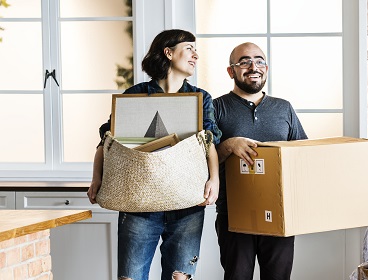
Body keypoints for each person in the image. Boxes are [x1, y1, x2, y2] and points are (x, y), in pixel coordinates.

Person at [87, 29, 222, 280]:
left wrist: (214, 180)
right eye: (189, 48)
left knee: (180, 277)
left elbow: (209, 142)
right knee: (130, 277)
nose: (196, 55)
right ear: (169, 53)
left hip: (187, 203)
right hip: (138, 201)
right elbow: (107, 142)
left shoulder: (201, 98)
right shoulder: (135, 94)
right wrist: (97, 179)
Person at [213, 42, 307, 280]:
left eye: (259, 61)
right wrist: (228, 145)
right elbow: (201, 160)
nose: (253, 66)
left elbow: (303, 157)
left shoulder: (283, 108)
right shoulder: (216, 108)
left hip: (279, 213)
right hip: (233, 214)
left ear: (267, 68)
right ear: (231, 71)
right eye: (244, 61)